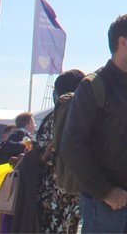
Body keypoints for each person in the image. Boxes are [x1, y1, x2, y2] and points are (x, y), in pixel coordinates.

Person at [59, 13, 127, 233]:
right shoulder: (93, 86)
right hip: (107, 205)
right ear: (122, 42)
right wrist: (106, 191)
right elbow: (72, 146)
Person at [37, 68, 86, 233]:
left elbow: (43, 151)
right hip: (76, 191)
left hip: (53, 194)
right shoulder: (85, 115)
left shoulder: (52, 118)